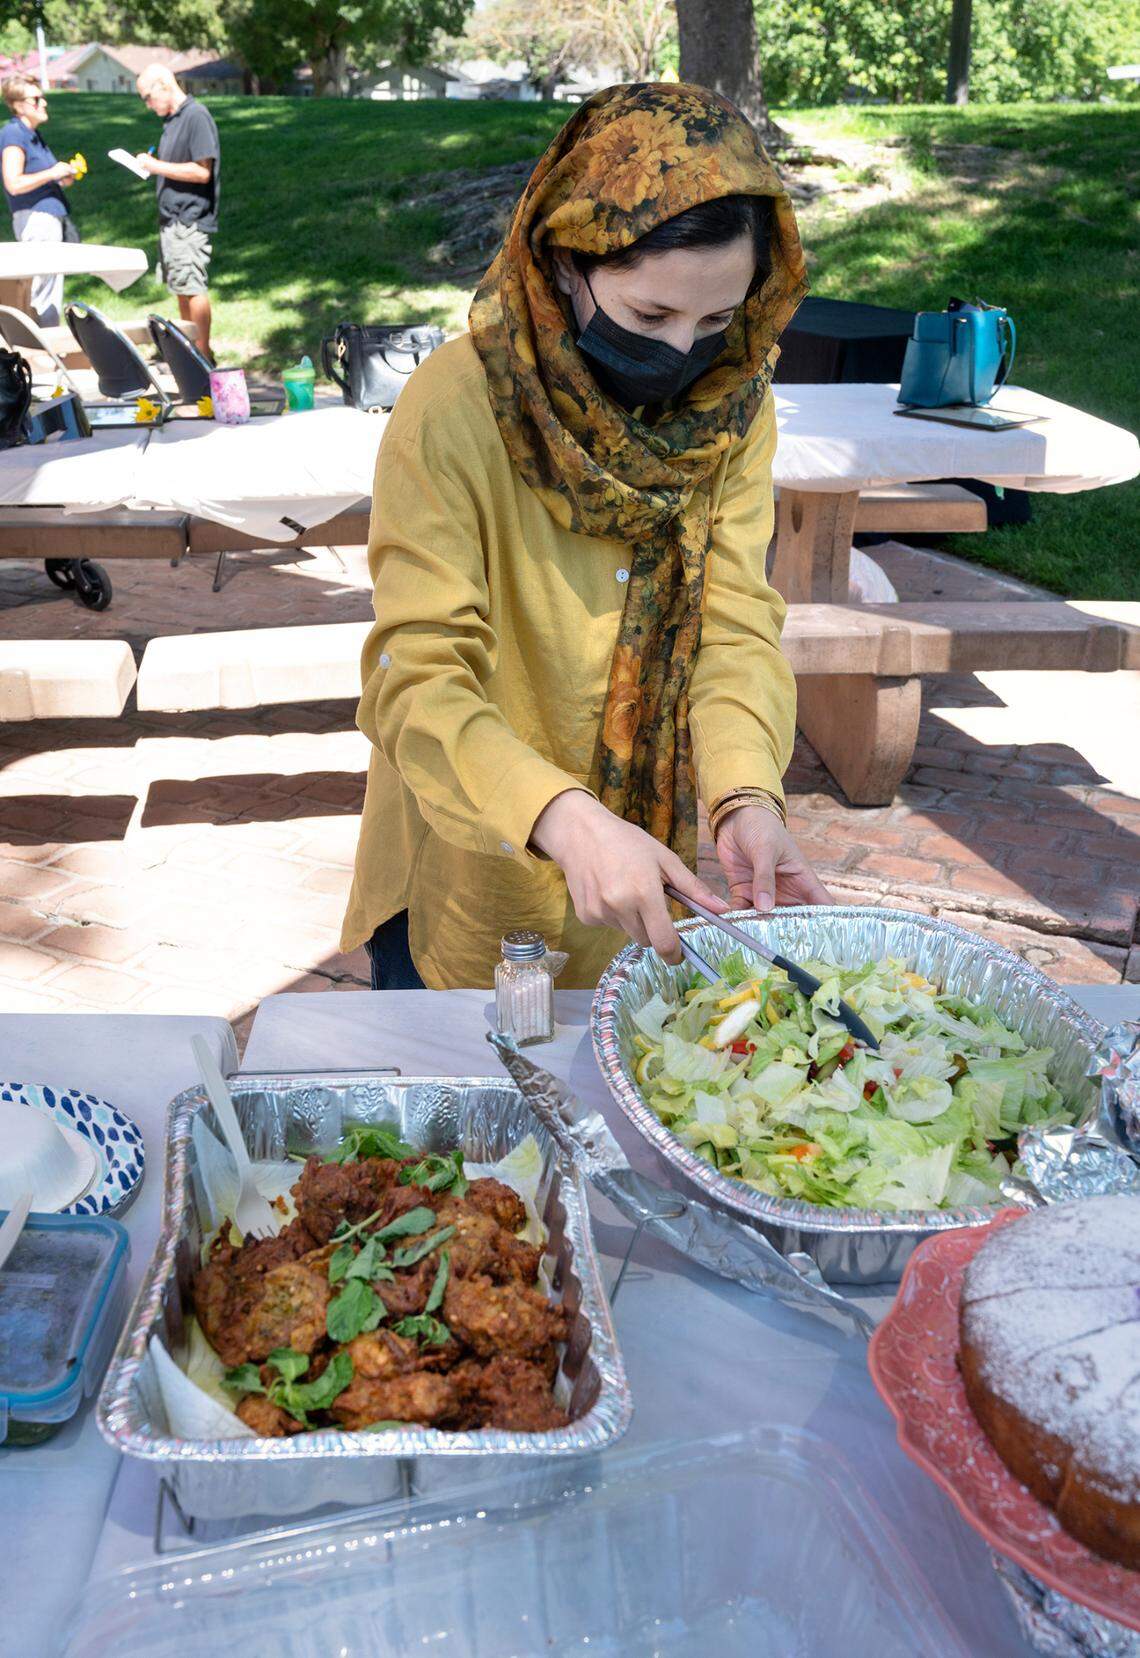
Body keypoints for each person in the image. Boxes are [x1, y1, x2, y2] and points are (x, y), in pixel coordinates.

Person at [341, 82, 831, 992]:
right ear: (567, 261)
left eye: (718, 320)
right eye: (651, 317)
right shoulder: (456, 407)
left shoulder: (731, 410)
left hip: (645, 886)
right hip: (472, 876)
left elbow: (731, 625)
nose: (686, 352)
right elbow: (414, 672)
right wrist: (562, 818)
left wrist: (744, 794)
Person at [134, 63, 219, 361]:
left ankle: (203, 356)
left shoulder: (196, 116)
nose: (147, 104)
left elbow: (201, 171)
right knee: (180, 287)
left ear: (163, 85)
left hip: (189, 219)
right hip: (170, 220)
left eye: (147, 96)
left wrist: (155, 166)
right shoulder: (172, 121)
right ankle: (189, 352)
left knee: (193, 286)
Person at [0, 76, 79, 327]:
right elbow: (13, 183)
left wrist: (64, 176)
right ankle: (43, 352)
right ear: (18, 105)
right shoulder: (13, 133)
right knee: (42, 289)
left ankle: (46, 347)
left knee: (49, 286)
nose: (43, 103)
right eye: (36, 99)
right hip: (35, 219)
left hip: (48, 218)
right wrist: (52, 173)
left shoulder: (34, 135)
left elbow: (48, 176)